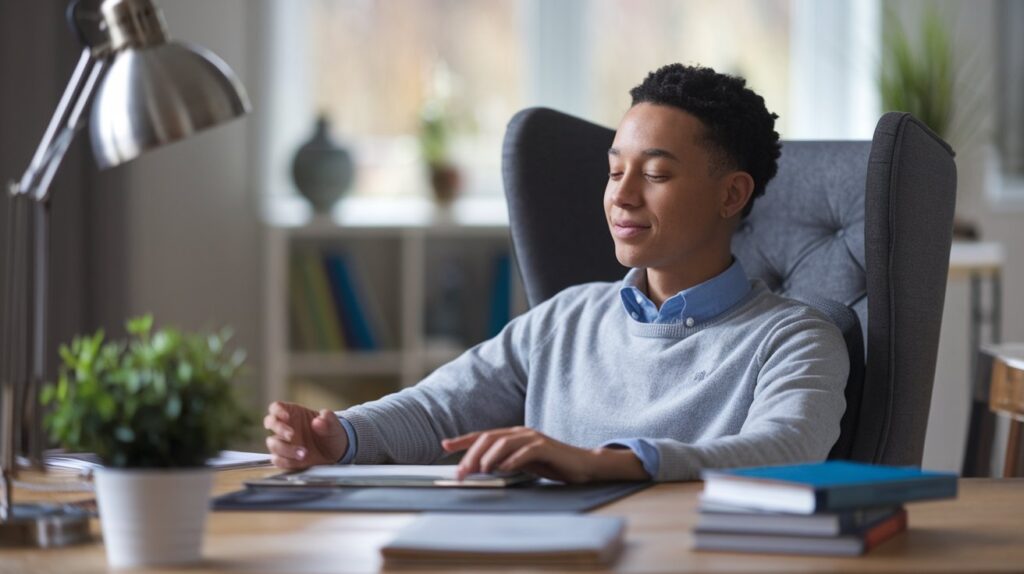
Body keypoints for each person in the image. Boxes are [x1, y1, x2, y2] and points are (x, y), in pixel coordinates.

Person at [264, 64, 849, 483]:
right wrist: (339, 434)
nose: (622, 196)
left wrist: (603, 462)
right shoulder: (566, 319)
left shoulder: (794, 338)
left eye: (656, 175)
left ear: (732, 194)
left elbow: (787, 447)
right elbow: (437, 408)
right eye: (614, 170)